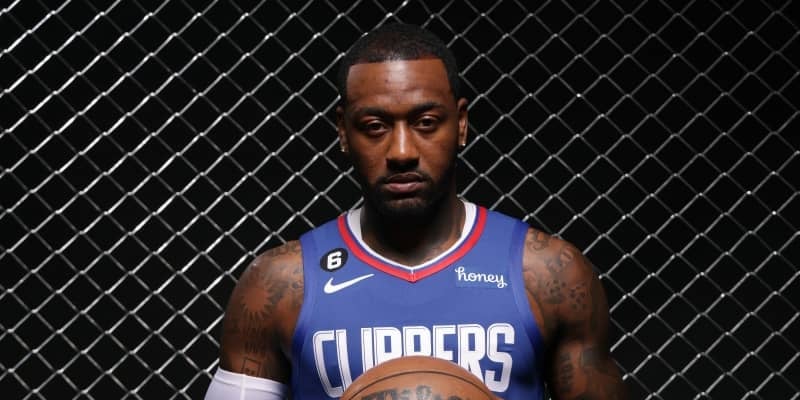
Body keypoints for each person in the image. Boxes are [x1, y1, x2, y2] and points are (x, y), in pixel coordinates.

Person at [204, 22, 627, 400]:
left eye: (426, 122)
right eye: (375, 126)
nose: (402, 151)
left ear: (461, 123)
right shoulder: (280, 285)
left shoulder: (547, 274)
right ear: (343, 132)